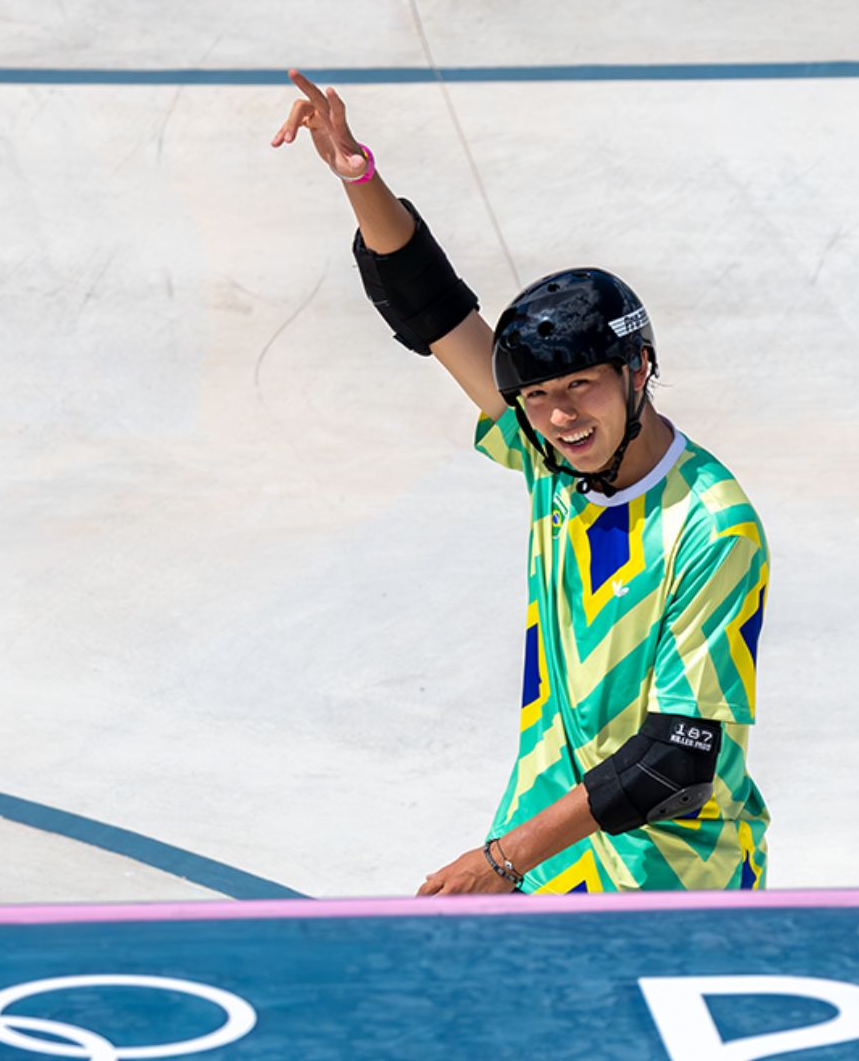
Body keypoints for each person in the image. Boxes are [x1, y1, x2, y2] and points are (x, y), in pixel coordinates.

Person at [272, 70, 769, 894]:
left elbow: (676, 756)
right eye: (537, 397)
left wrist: (501, 861)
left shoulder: (714, 524)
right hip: (551, 865)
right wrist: (359, 175)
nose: (560, 416)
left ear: (638, 370)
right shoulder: (554, 462)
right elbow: (431, 310)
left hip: (677, 884)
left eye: (581, 386)